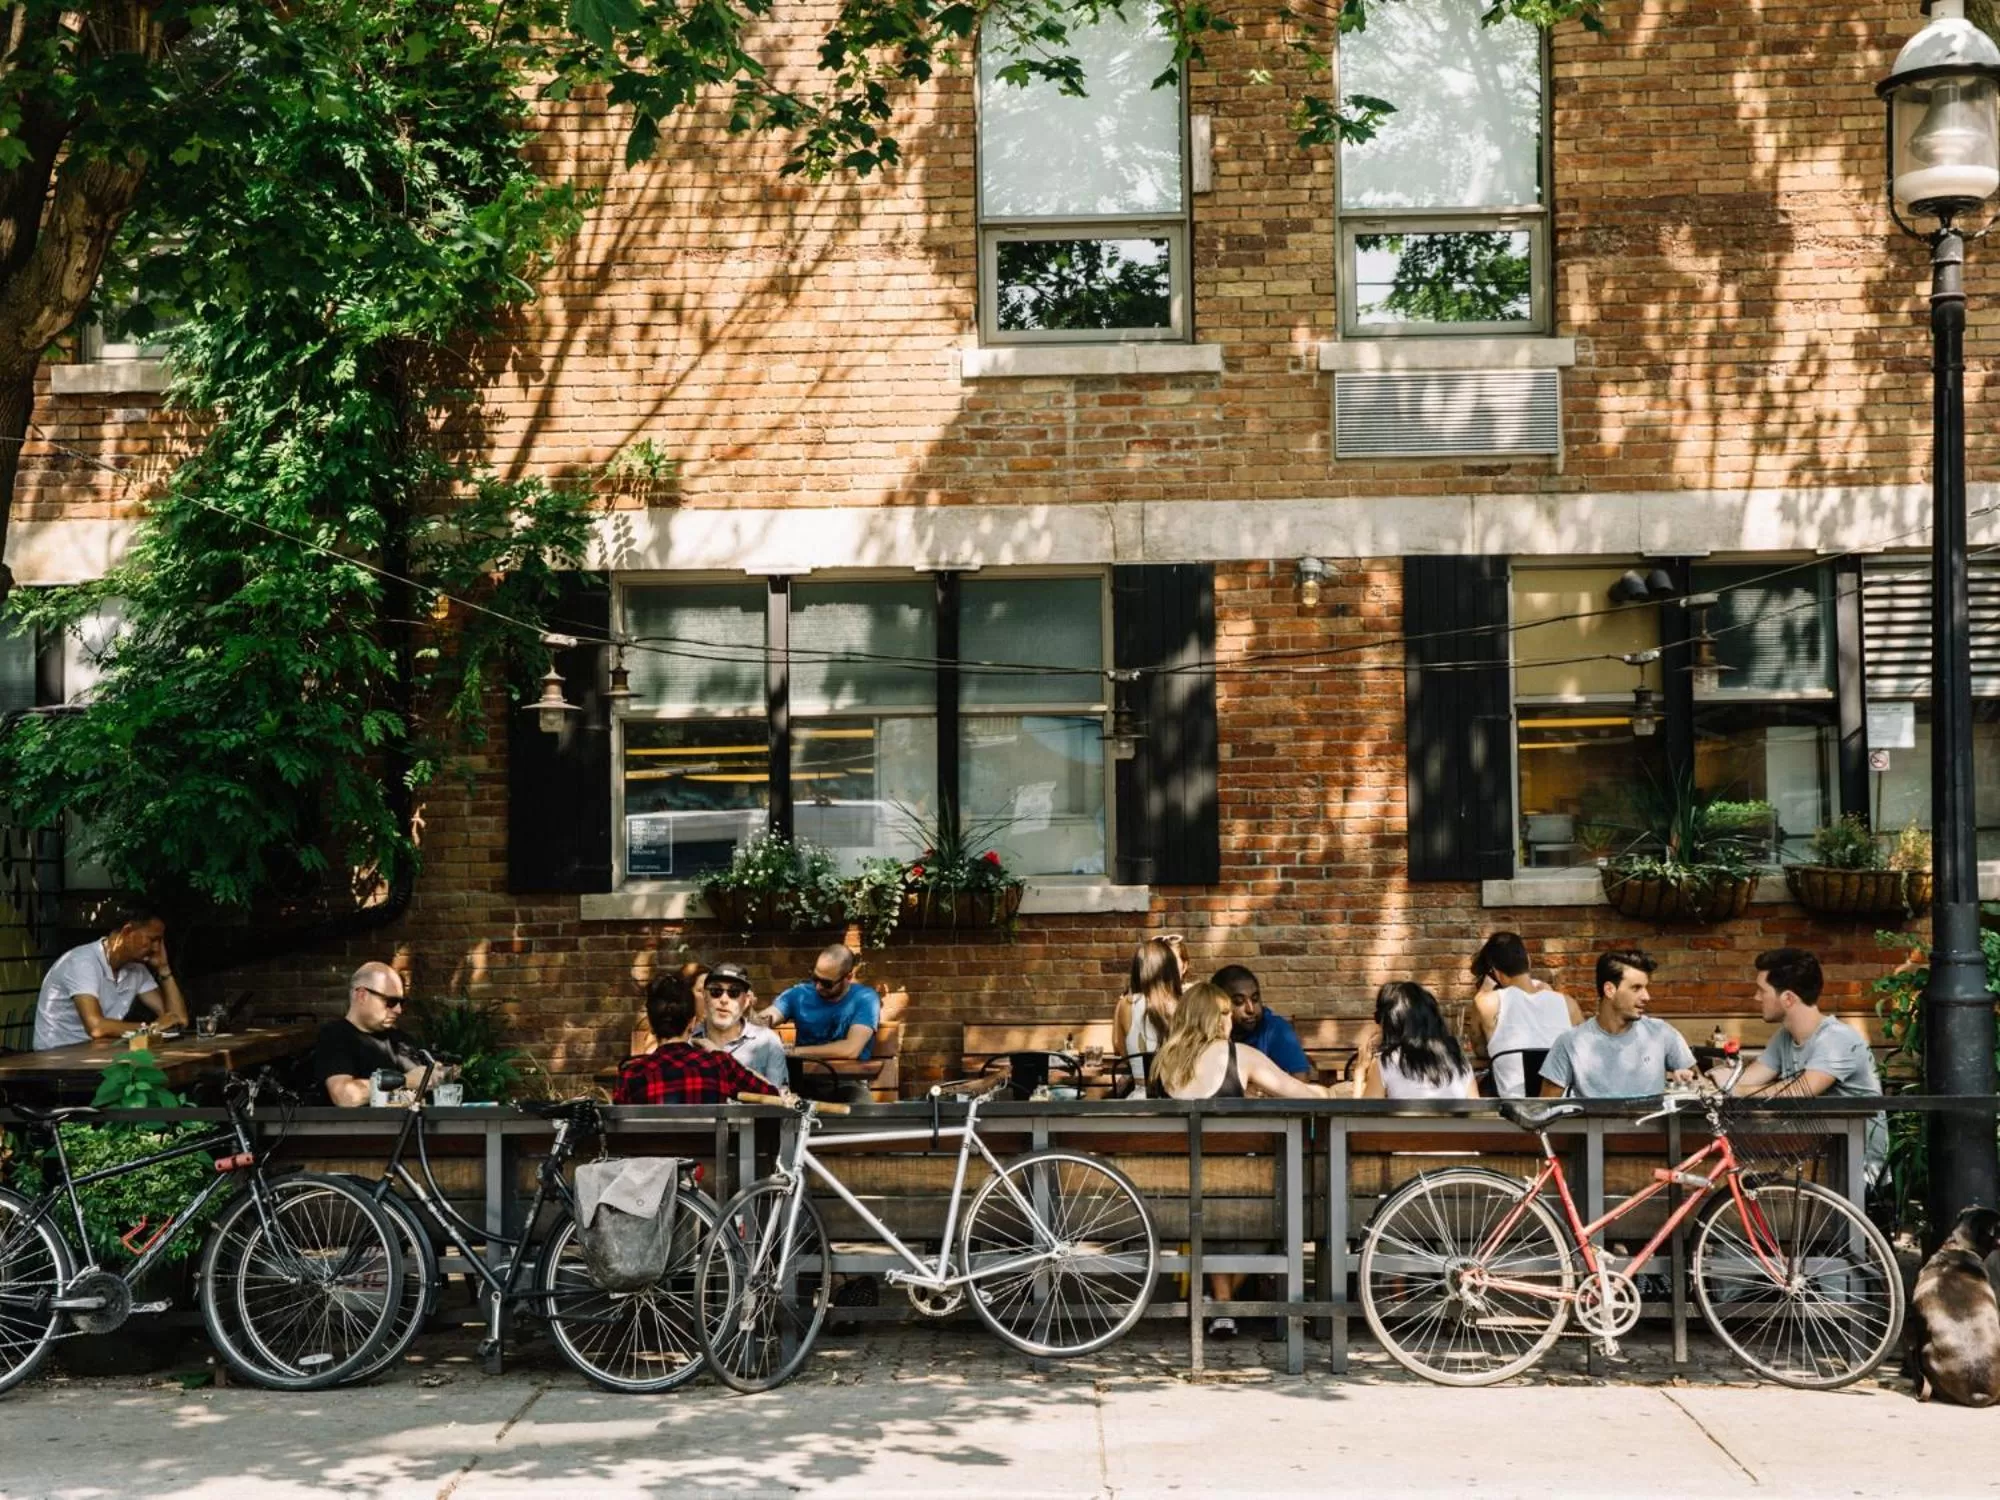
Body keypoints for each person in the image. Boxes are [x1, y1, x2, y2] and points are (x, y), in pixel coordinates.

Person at [1151, 979, 1328, 1339]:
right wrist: (1326, 1091)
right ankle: (1224, 1302)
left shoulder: (1161, 1065)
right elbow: (1300, 1094)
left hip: (1177, 1197)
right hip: (1246, 1196)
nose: (1231, 1021)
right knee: (1269, 1212)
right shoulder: (1237, 1056)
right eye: (1228, 1015)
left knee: (1214, 1201)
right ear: (1218, 1020)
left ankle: (1220, 1302)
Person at [1719, 947, 1888, 1182]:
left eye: (1762, 990)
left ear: (1788, 998)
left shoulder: (1837, 1039)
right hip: (1819, 1160)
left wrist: (1734, 1091)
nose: (1756, 998)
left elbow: (1800, 1091)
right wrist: (1708, 1079)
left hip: (1860, 1175)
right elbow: (1742, 1081)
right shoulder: (1784, 1037)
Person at [1540, 948, 1696, 1098]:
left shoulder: (1662, 1033)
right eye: (1636, 988)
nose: (1646, 997)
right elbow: (1544, 1110)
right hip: (1595, 1124)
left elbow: (1700, 1085)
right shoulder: (1570, 1043)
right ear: (1609, 990)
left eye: (1646, 988)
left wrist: (1688, 1081)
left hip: (1650, 1123)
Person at [32, 906, 189, 1049]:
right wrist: (150, 1029)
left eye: (160, 941)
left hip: (97, 1053)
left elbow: (178, 1020)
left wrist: (164, 969)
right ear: (127, 932)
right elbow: (96, 1027)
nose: (156, 948)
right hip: (57, 1061)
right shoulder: (83, 962)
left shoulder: (137, 969)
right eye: (152, 939)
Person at [616, 972, 773, 1104]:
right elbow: (773, 1095)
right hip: (712, 1142)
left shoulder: (631, 1075)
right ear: (691, 1022)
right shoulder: (720, 1065)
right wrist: (717, 1051)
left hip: (651, 1142)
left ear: (651, 1024)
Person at [314, 961, 447, 1107]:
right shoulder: (335, 1036)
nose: (398, 1010)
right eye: (391, 1001)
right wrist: (406, 1081)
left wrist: (439, 1074)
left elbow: (426, 1078)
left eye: (401, 1002)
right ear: (362, 995)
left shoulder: (399, 1039)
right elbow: (345, 1096)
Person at [759, 943, 880, 1102]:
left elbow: (851, 1049)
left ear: (848, 977)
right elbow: (767, 1018)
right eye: (815, 978)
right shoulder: (799, 994)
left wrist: (794, 1052)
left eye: (826, 983)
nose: (818, 986)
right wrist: (751, 1015)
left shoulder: (865, 998)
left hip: (847, 1082)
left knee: (861, 1108)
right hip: (801, 1082)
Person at [1468, 931, 1581, 1097]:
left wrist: (1483, 991)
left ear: (1495, 973)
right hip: (1562, 1110)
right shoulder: (1568, 1003)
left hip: (1512, 1111)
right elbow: (1583, 1052)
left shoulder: (1486, 1003)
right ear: (1528, 961)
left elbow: (1481, 1051)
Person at [1355, 982, 1478, 1099]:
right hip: (1454, 1122)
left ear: (1391, 1023)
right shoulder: (1459, 1060)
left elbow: (1362, 1118)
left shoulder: (1385, 1062)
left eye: (1379, 1019)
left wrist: (1360, 1072)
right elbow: (1477, 1111)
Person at [691, 962, 787, 1085]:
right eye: (716, 991)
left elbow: (780, 1097)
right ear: (705, 996)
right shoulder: (689, 1040)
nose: (724, 1000)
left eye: (734, 993)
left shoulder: (768, 1042)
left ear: (746, 1000)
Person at [1214, 964, 1311, 1082]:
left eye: (1255, 999)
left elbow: (1300, 1080)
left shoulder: (1276, 1029)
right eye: (1239, 1001)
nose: (1251, 1009)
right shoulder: (1204, 1034)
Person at [1113, 937, 1182, 1097]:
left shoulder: (1126, 1004)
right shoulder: (1182, 1003)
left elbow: (1120, 1048)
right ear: (1170, 969)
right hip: (1177, 1098)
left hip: (1141, 1097)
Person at [631, 960, 705, 1057]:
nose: (707, 997)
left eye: (713, 991)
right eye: (701, 991)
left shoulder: (635, 1071)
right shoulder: (713, 1063)